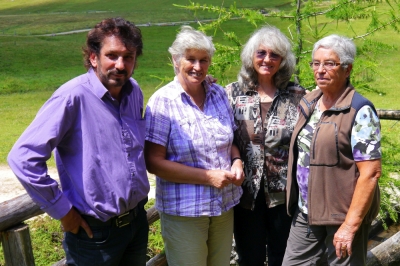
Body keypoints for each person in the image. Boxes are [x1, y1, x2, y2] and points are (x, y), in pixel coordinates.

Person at [7, 17, 150, 265]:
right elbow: (22, 158)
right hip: (95, 235)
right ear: (94, 58)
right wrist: (63, 211)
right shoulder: (72, 97)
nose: (120, 64)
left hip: (136, 224)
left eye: (128, 57)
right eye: (112, 55)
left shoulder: (133, 91)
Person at [144, 26, 244, 266]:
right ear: (176, 60)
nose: (198, 67)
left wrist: (237, 161)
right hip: (185, 210)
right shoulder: (163, 102)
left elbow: (230, 142)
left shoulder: (218, 94)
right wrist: (207, 176)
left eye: (204, 60)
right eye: (191, 59)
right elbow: (153, 162)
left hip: (222, 205)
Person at [283, 34, 381, 265]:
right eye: (316, 63)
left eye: (329, 63)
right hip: (306, 211)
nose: (320, 70)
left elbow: (370, 173)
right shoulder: (309, 101)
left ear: (347, 69)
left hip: (342, 215)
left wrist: (349, 226)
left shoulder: (360, 110)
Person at [224, 26, 306, 266]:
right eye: (261, 53)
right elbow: (222, 134)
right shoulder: (232, 93)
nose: (267, 59)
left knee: (284, 257)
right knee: (250, 258)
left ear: (282, 61)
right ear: (251, 55)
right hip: (245, 195)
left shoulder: (297, 95)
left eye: (274, 55)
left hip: (284, 195)